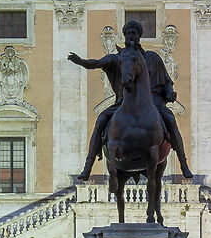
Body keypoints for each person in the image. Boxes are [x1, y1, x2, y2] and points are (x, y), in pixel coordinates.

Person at [71, 20, 192, 180]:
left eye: (133, 33)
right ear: (125, 36)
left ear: (139, 36)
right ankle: (88, 166)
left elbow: (166, 81)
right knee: (100, 120)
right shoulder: (119, 58)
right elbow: (98, 63)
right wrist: (81, 62)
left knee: (170, 119)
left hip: (153, 101)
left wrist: (170, 93)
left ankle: (183, 164)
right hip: (123, 102)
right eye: (128, 33)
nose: (130, 36)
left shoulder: (153, 58)